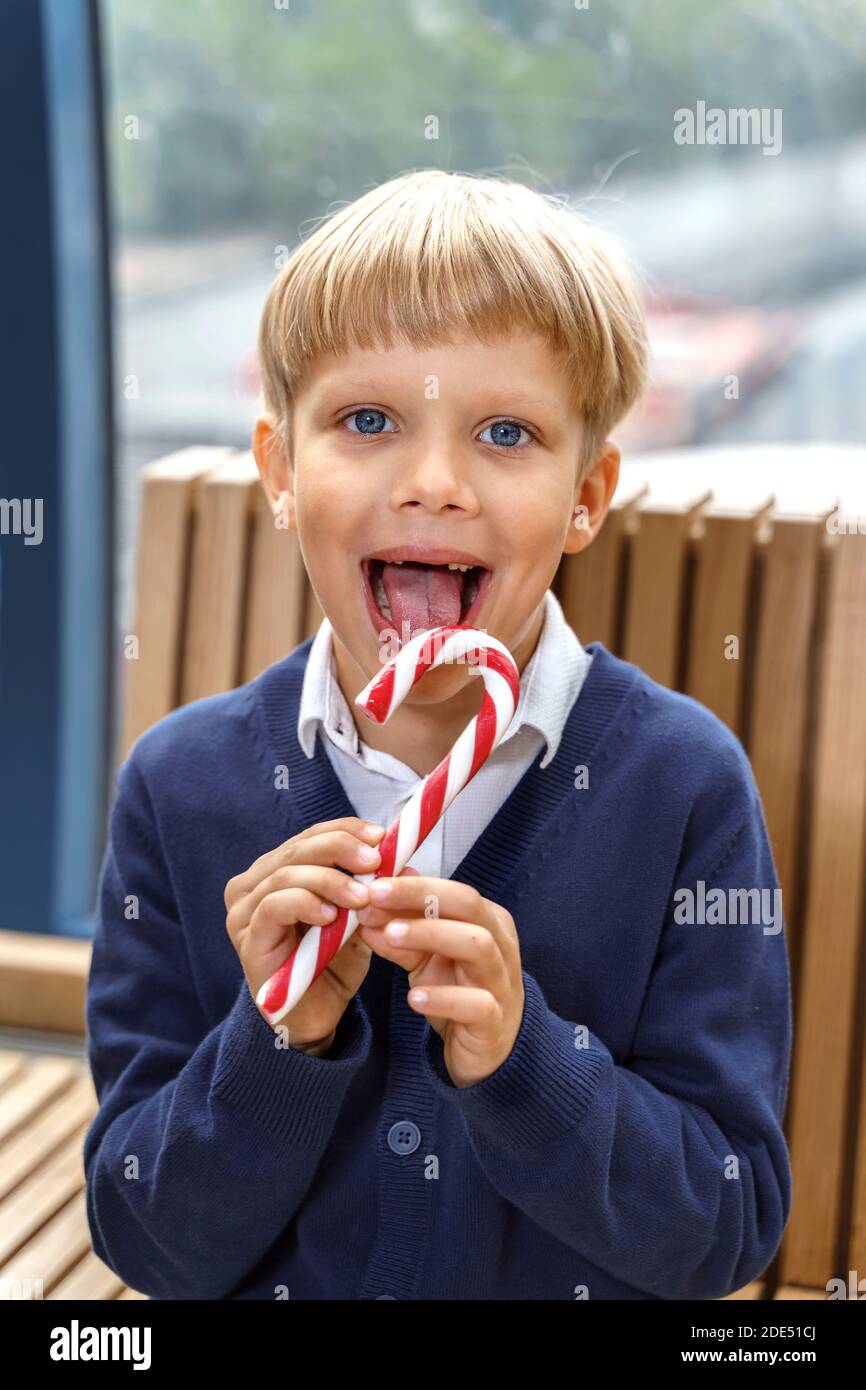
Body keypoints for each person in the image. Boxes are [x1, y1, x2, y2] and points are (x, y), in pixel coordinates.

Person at [83, 169, 792, 1300]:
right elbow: (144, 1236)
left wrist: (523, 1061)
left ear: (586, 494)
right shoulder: (181, 787)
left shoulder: (681, 787)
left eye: (505, 432)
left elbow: (723, 1227)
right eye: (367, 420)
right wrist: (277, 1044)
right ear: (277, 467)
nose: (432, 482)